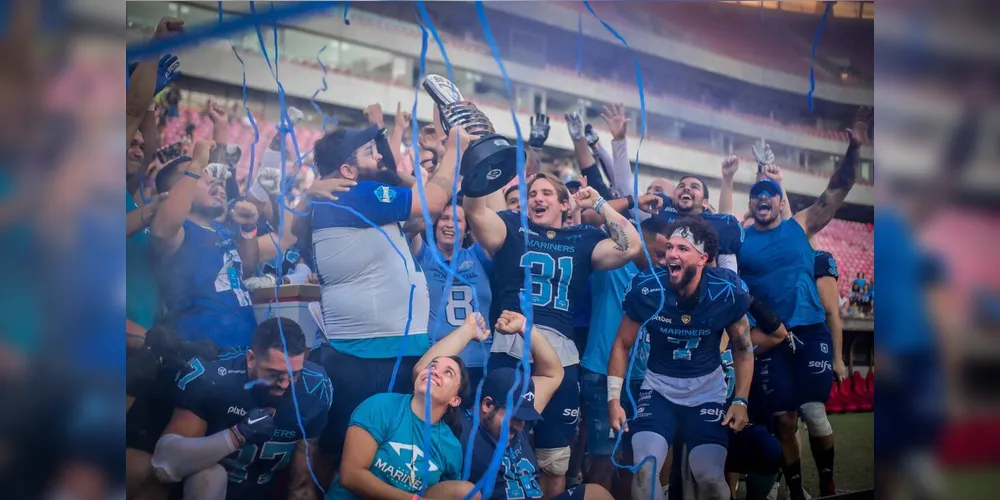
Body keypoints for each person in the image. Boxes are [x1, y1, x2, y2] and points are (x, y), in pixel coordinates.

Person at [302, 124, 466, 482]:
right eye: (368, 152)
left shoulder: (353, 198)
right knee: (346, 450)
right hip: (367, 357)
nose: (378, 156)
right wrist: (454, 147)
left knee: (386, 454)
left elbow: (419, 210)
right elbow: (433, 203)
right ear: (346, 170)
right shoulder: (353, 194)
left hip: (386, 351)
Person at [464, 173, 641, 497]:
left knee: (555, 460)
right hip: (511, 346)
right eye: (532, 193)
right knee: (498, 444)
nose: (537, 198)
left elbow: (631, 246)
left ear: (564, 203)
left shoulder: (583, 237)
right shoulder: (512, 228)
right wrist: (482, 166)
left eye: (547, 192)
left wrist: (599, 204)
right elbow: (475, 212)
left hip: (560, 354)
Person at [737, 108, 866, 500]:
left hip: (809, 330)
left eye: (770, 194)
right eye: (756, 194)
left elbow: (839, 187)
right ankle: (796, 490)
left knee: (812, 411)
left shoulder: (802, 225)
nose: (763, 198)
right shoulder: (741, 243)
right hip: (773, 337)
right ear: (752, 203)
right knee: (784, 419)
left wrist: (855, 146)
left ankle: (826, 484)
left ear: (780, 203)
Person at [608, 217, 753, 500]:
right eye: (671, 247)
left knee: (709, 478)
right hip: (658, 389)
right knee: (645, 472)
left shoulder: (726, 292)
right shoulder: (648, 289)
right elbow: (622, 344)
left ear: (704, 258)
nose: (672, 254)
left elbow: (743, 347)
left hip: (707, 391)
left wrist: (740, 400)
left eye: (683, 249)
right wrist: (613, 399)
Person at [150, 318, 333, 500]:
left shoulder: (315, 389)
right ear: (251, 359)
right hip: (207, 490)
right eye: (274, 373)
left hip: (263, 492)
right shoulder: (214, 379)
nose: (285, 384)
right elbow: (164, 464)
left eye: (294, 374)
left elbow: (301, 486)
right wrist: (238, 434)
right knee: (210, 475)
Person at [443, 309, 614, 500]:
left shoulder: (517, 423)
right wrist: (466, 331)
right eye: (515, 418)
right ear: (487, 405)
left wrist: (527, 328)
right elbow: (425, 371)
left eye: (524, 418)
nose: (520, 425)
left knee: (595, 493)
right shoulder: (458, 426)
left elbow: (553, 373)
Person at [150, 140, 298, 348]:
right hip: (204, 356)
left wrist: (249, 227)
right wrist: (195, 164)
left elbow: (274, 247)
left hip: (244, 352)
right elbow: (162, 230)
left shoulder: (222, 232)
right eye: (202, 174)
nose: (214, 180)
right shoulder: (179, 232)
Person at [328, 314, 489, 500]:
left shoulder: (450, 447)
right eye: (432, 366)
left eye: (448, 373)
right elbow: (351, 476)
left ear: (455, 400)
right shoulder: (383, 406)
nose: (434, 372)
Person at [580, 216, 671, 497]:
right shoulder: (613, 264)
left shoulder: (667, 279)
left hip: (645, 378)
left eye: (667, 254)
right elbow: (591, 217)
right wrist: (634, 203)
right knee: (604, 456)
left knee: (635, 459)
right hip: (602, 372)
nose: (664, 260)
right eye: (658, 253)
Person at [413, 202, 494, 395]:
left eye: (458, 220)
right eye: (444, 218)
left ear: (467, 228)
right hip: (437, 363)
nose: (450, 224)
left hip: (480, 362)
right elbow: (415, 216)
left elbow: (493, 224)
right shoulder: (423, 255)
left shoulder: (478, 255)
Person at [651, 174, 743, 272]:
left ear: (705, 203)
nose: (686, 188)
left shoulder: (721, 224)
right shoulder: (659, 210)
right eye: (681, 186)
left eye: (694, 187)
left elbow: (728, 275)